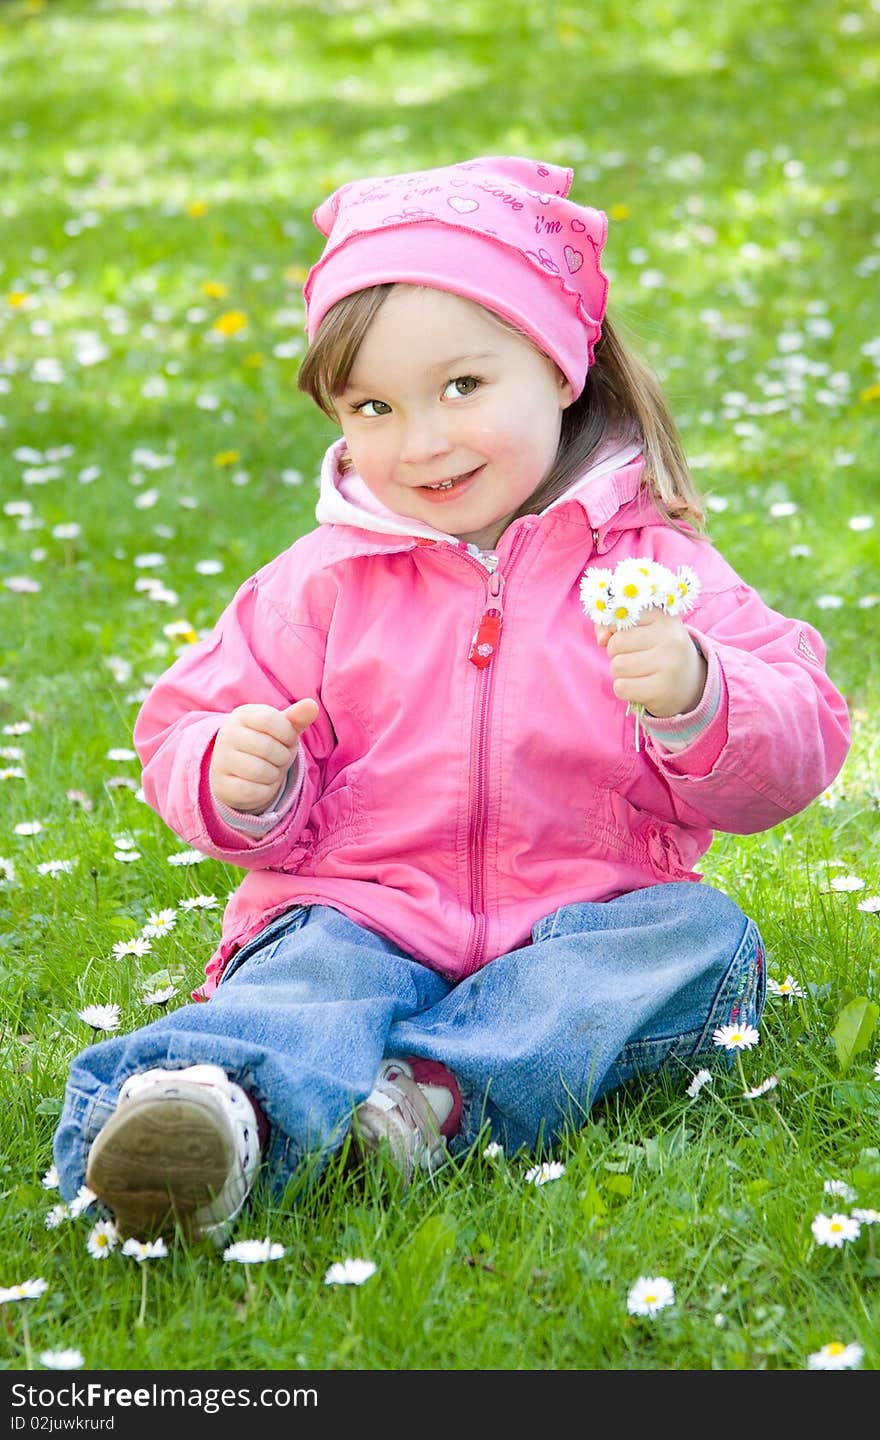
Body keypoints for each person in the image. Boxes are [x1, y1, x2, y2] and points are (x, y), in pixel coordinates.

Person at [53, 155, 851, 1246]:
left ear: (560, 369)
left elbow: (803, 731)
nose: (419, 442)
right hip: (365, 904)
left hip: (585, 914)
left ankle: (420, 1099)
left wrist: (699, 695)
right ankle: (204, 1111)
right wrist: (231, 771)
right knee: (311, 971)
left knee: (696, 942)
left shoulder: (653, 565)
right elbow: (183, 727)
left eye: (461, 387)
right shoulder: (322, 582)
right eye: (373, 406)